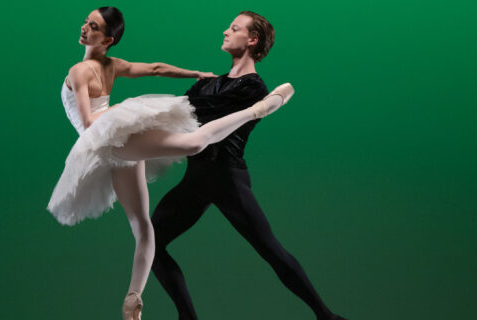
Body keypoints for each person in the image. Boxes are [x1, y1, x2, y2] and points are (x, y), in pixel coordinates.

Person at [46, 7, 294, 320]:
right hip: (106, 138)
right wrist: (123, 112)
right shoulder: (87, 70)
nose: (84, 28)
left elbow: (155, 68)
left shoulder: (104, 66)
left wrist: (193, 75)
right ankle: (257, 110)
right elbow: (89, 120)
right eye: (86, 21)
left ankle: (133, 299)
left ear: (107, 39)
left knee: (144, 227)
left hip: (115, 144)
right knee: (193, 143)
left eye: (92, 26)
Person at [150, 11, 347, 320]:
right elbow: (181, 115)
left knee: (271, 250)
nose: (225, 32)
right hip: (197, 177)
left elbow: (206, 116)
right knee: (150, 244)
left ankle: (326, 316)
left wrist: (184, 107)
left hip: (227, 178)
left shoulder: (253, 89)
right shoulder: (206, 85)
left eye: (234, 28)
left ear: (252, 40)